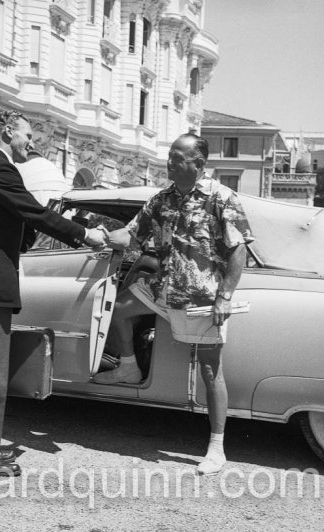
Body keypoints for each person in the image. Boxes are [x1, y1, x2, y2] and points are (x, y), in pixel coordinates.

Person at [0, 110, 106, 476]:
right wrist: (85, 235)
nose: (32, 143)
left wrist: (32, 225)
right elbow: (32, 212)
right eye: (27, 135)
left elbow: (18, 219)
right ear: (8, 132)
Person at [94, 133, 254, 475]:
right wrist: (100, 235)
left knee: (210, 371)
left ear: (198, 163)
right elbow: (133, 235)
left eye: (177, 158)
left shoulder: (222, 197)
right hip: (163, 288)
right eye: (170, 156)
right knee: (118, 309)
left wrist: (224, 296)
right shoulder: (161, 199)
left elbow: (239, 248)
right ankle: (129, 367)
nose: (169, 162)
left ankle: (216, 447)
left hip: (201, 297)